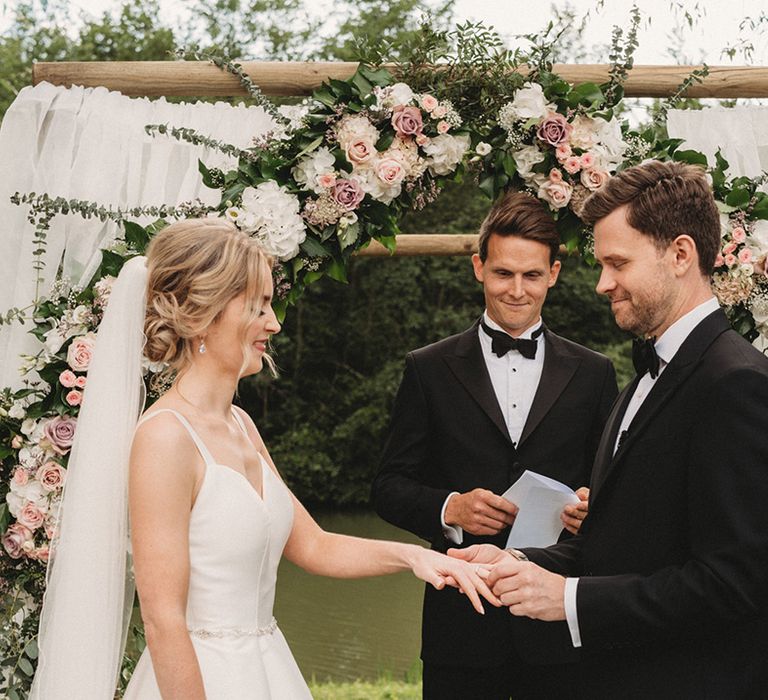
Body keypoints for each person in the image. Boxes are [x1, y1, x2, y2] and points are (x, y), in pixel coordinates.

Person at [30, 218, 500, 700]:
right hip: (200, 680)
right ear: (203, 315)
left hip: (268, 670)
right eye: (258, 307)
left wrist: (415, 556)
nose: (274, 323)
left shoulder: (241, 424)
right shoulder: (164, 439)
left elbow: (315, 546)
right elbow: (162, 619)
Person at [452, 160, 768, 698]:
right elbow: (621, 543)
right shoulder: (642, 380)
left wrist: (570, 599)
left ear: (681, 255)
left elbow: (736, 583)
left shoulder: (735, 382)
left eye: (617, 263)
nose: (602, 284)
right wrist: (519, 561)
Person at [371, 191, 618, 700]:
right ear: (478, 267)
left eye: (531, 276)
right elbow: (388, 486)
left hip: (556, 624)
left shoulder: (595, 373)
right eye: (504, 273)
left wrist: (592, 509)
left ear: (553, 274)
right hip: (459, 627)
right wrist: (449, 507)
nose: (517, 291)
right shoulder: (428, 369)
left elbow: (612, 487)